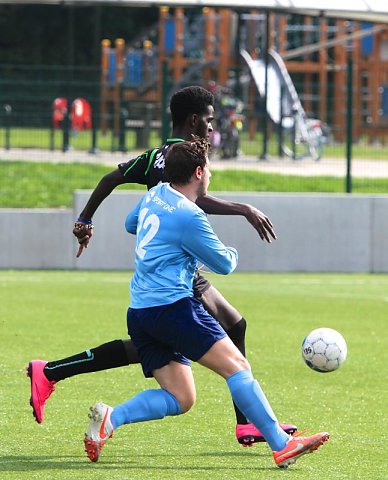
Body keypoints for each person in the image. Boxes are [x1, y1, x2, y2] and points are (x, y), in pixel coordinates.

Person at [27, 86, 296, 446]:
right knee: (219, 336)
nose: (212, 128)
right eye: (210, 121)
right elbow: (194, 202)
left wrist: (85, 220)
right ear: (194, 120)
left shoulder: (155, 155)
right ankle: (253, 425)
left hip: (161, 268)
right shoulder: (182, 158)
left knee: (174, 340)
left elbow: (112, 181)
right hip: (176, 274)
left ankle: (53, 371)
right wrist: (243, 209)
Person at [83, 138, 329, 468]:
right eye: (209, 169)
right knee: (237, 367)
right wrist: (229, 252)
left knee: (181, 397)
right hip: (174, 309)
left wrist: (169, 248)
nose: (210, 175)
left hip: (140, 312)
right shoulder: (190, 217)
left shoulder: (154, 194)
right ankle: (281, 444)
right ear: (199, 172)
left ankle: (110, 419)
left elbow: (132, 224)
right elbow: (225, 264)